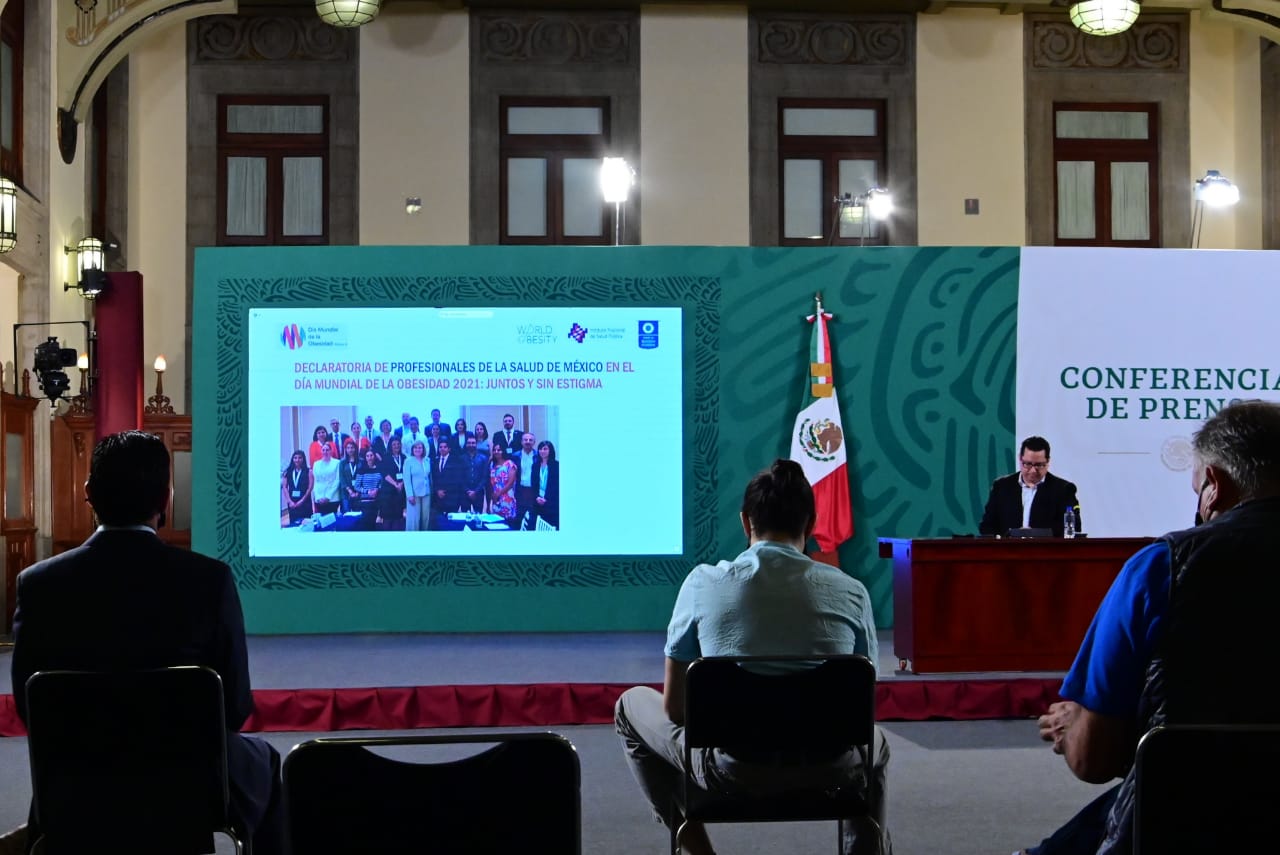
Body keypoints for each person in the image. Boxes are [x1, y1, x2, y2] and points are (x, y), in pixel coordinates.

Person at [1018, 400, 1280, 855]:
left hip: (1186, 821)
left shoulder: (1164, 566)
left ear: (1214, 486)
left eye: (1196, 488)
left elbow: (1092, 759)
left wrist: (1076, 727)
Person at [9, 431, 283, 855]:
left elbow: (32, 708)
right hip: (188, 788)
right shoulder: (209, 581)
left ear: (89, 495)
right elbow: (237, 708)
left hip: (76, 785)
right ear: (166, 499)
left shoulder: (38, 586)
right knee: (266, 761)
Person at [614, 459, 889, 855]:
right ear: (811, 525)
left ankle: (695, 847)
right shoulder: (852, 592)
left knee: (629, 707)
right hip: (831, 770)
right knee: (875, 743)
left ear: (746, 523)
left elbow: (675, 710)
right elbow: (861, 707)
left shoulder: (701, 585)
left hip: (730, 772)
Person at [979, 436, 1080, 537]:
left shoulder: (1063, 489)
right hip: (1008, 551)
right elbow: (987, 527)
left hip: (1047, 551)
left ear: (1048, 461)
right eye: (1027, 464)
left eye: (1039, 465)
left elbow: (1073, 528)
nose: (1033, 471)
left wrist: (1036, 534)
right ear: (1020, 458)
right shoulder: (1001, 487)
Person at [431, 439, 466, 523]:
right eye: (440, 447)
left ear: (449, 449)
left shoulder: (456, 461)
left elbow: (457, 479)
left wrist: (445, 492)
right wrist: (438, 490)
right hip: (438, 498)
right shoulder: (435, 461)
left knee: (451, 523)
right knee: (439, 522)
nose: (442, 449)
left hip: (452, 497)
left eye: (445, 447)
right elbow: (433, 478)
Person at [379, 436, 408, 531]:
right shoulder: (385, 457)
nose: (396, 446)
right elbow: (384, 474)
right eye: (394, 444)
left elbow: (407, 472)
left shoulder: (404, 458)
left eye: (398, 444)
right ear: (390, 446)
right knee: (387, 520)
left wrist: (401, 484)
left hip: (400, 492)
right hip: (388, 492)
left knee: (398, 519)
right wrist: (396, 484)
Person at [531, 439, 560, 528]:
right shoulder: (535, 465)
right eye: (540, 449)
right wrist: (537, 497)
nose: (542, 451)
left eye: (545, 449)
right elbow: (534, 484)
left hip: (551, 502)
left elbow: (556, 486)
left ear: (550, 450)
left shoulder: (556, 466)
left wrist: (547, 499)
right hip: (538, 500)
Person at [404, 440, 432, 531]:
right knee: (413, 520)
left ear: (423, 449)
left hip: (426, 493)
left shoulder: (427, 460)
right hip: (414, 495)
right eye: (415, 448)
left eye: (420, 447)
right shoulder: (408, 461)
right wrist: (410, 495)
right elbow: (407, 480)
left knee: (425, 519)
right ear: (412, 449)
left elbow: (429, 477)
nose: (418, 449)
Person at [353, 448, 384, 531]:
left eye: (371, 455)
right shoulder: (361, 470)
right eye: (367, 456)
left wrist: (377, 489)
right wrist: (368, 491)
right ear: (365, 458)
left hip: (376, 502)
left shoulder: (379, 469)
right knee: (365, 526)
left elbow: (382, 483)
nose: (370, 457)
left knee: (374, 526)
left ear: (374, 457)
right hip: (364, 502)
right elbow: (357, 486)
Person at [513, 431, 538, 527]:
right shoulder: (515, 456)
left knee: (532, 517)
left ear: (534, 442)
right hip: (520, 490)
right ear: (521, 442)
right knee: (518, 516)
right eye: (525, 440)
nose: (528, 442)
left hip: (533, 490)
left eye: (530, 440)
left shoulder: (538, 456)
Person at [281, 450, 312, 525]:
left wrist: (302, 501)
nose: (297, 460)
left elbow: (310, 488)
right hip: (292, 502)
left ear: (303, 459)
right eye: (295, 458)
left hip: (305, 502)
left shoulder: (309, 471)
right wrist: (289, 501)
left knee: (306, 524)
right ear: (292, 459)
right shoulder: (288, 472)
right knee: (293, 524)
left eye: (300, 458)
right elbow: (284, 487)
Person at [488, 444, 517, 524]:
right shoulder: (492, 464)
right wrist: (494, 496)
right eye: (494, 450)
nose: (496, 452)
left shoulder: (510, 464)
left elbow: (510, 483)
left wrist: (499, 493)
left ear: (503, 451)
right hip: (495, 498)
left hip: (507, 497)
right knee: (496, 522)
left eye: (499, 450)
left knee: (507, 523)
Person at [310, 441, 341, 518]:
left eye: (327, 450)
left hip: (333, 498)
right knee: (322, 522)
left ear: (331, 451)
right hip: (319, 498)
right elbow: (316, 482)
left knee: (332, 521)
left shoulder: (337, 463)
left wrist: (328, 497)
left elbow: (337, 480)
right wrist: (317, 497)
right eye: (323, 450)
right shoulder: (316, 464)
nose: (325, 452)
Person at [461, 435, 488, 513]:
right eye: (469, 443)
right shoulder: (461, 458)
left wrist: (475, 491)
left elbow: (485, 477)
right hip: (464, 493)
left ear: (476, 444)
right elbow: (460, 477)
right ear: (466, 444)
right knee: (465, 517)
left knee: (478, 517)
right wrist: (467, 490)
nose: (471, 445)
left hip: (479, 492)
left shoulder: (483, 458)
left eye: (473, 443)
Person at [338, 439, 362, 514]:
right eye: (348, 448)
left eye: (352, 447)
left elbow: (363, 476)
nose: (350, 450)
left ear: (355, 449)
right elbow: (342, 478)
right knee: (346, 514)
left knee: (358, 515)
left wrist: (358, 491)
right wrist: (350, 491)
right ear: (345, 450)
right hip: (346, 493)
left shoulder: (361, 461)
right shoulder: (342, 462)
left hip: (359, 492)